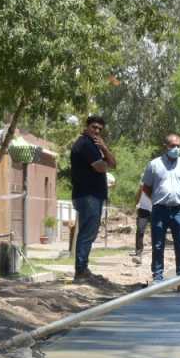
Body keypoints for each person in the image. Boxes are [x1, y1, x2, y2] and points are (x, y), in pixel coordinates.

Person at [141, 134, 180, 284]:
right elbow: (146, 187)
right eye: (173, 146)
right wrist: (156, 198)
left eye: (179, 146)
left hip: (179, 210)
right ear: (166, 146)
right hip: (160, 210)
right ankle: (158, 277)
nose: (176, 149)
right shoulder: (154, 164)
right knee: (158, 244)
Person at [70, 116, 117, 281]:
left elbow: (113, 163)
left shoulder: (95, 146)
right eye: (94, 127)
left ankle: (83, 269)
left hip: (94, 196)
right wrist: (105, 160)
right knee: (87, 233)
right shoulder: (85, 144)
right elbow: (102, 167)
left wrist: (104, 148)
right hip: (87, 195)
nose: (96, 131)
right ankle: (81, 271)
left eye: (99, 129)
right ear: (87, 127)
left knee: (89, 233)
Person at [130, 190, 152, 264]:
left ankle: (157, 253)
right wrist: (136, 203)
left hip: (156, 208)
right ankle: (138, 253)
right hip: (143, 209)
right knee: (140, 230)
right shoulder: (145, 178)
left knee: (156, 231)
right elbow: (139, 191)